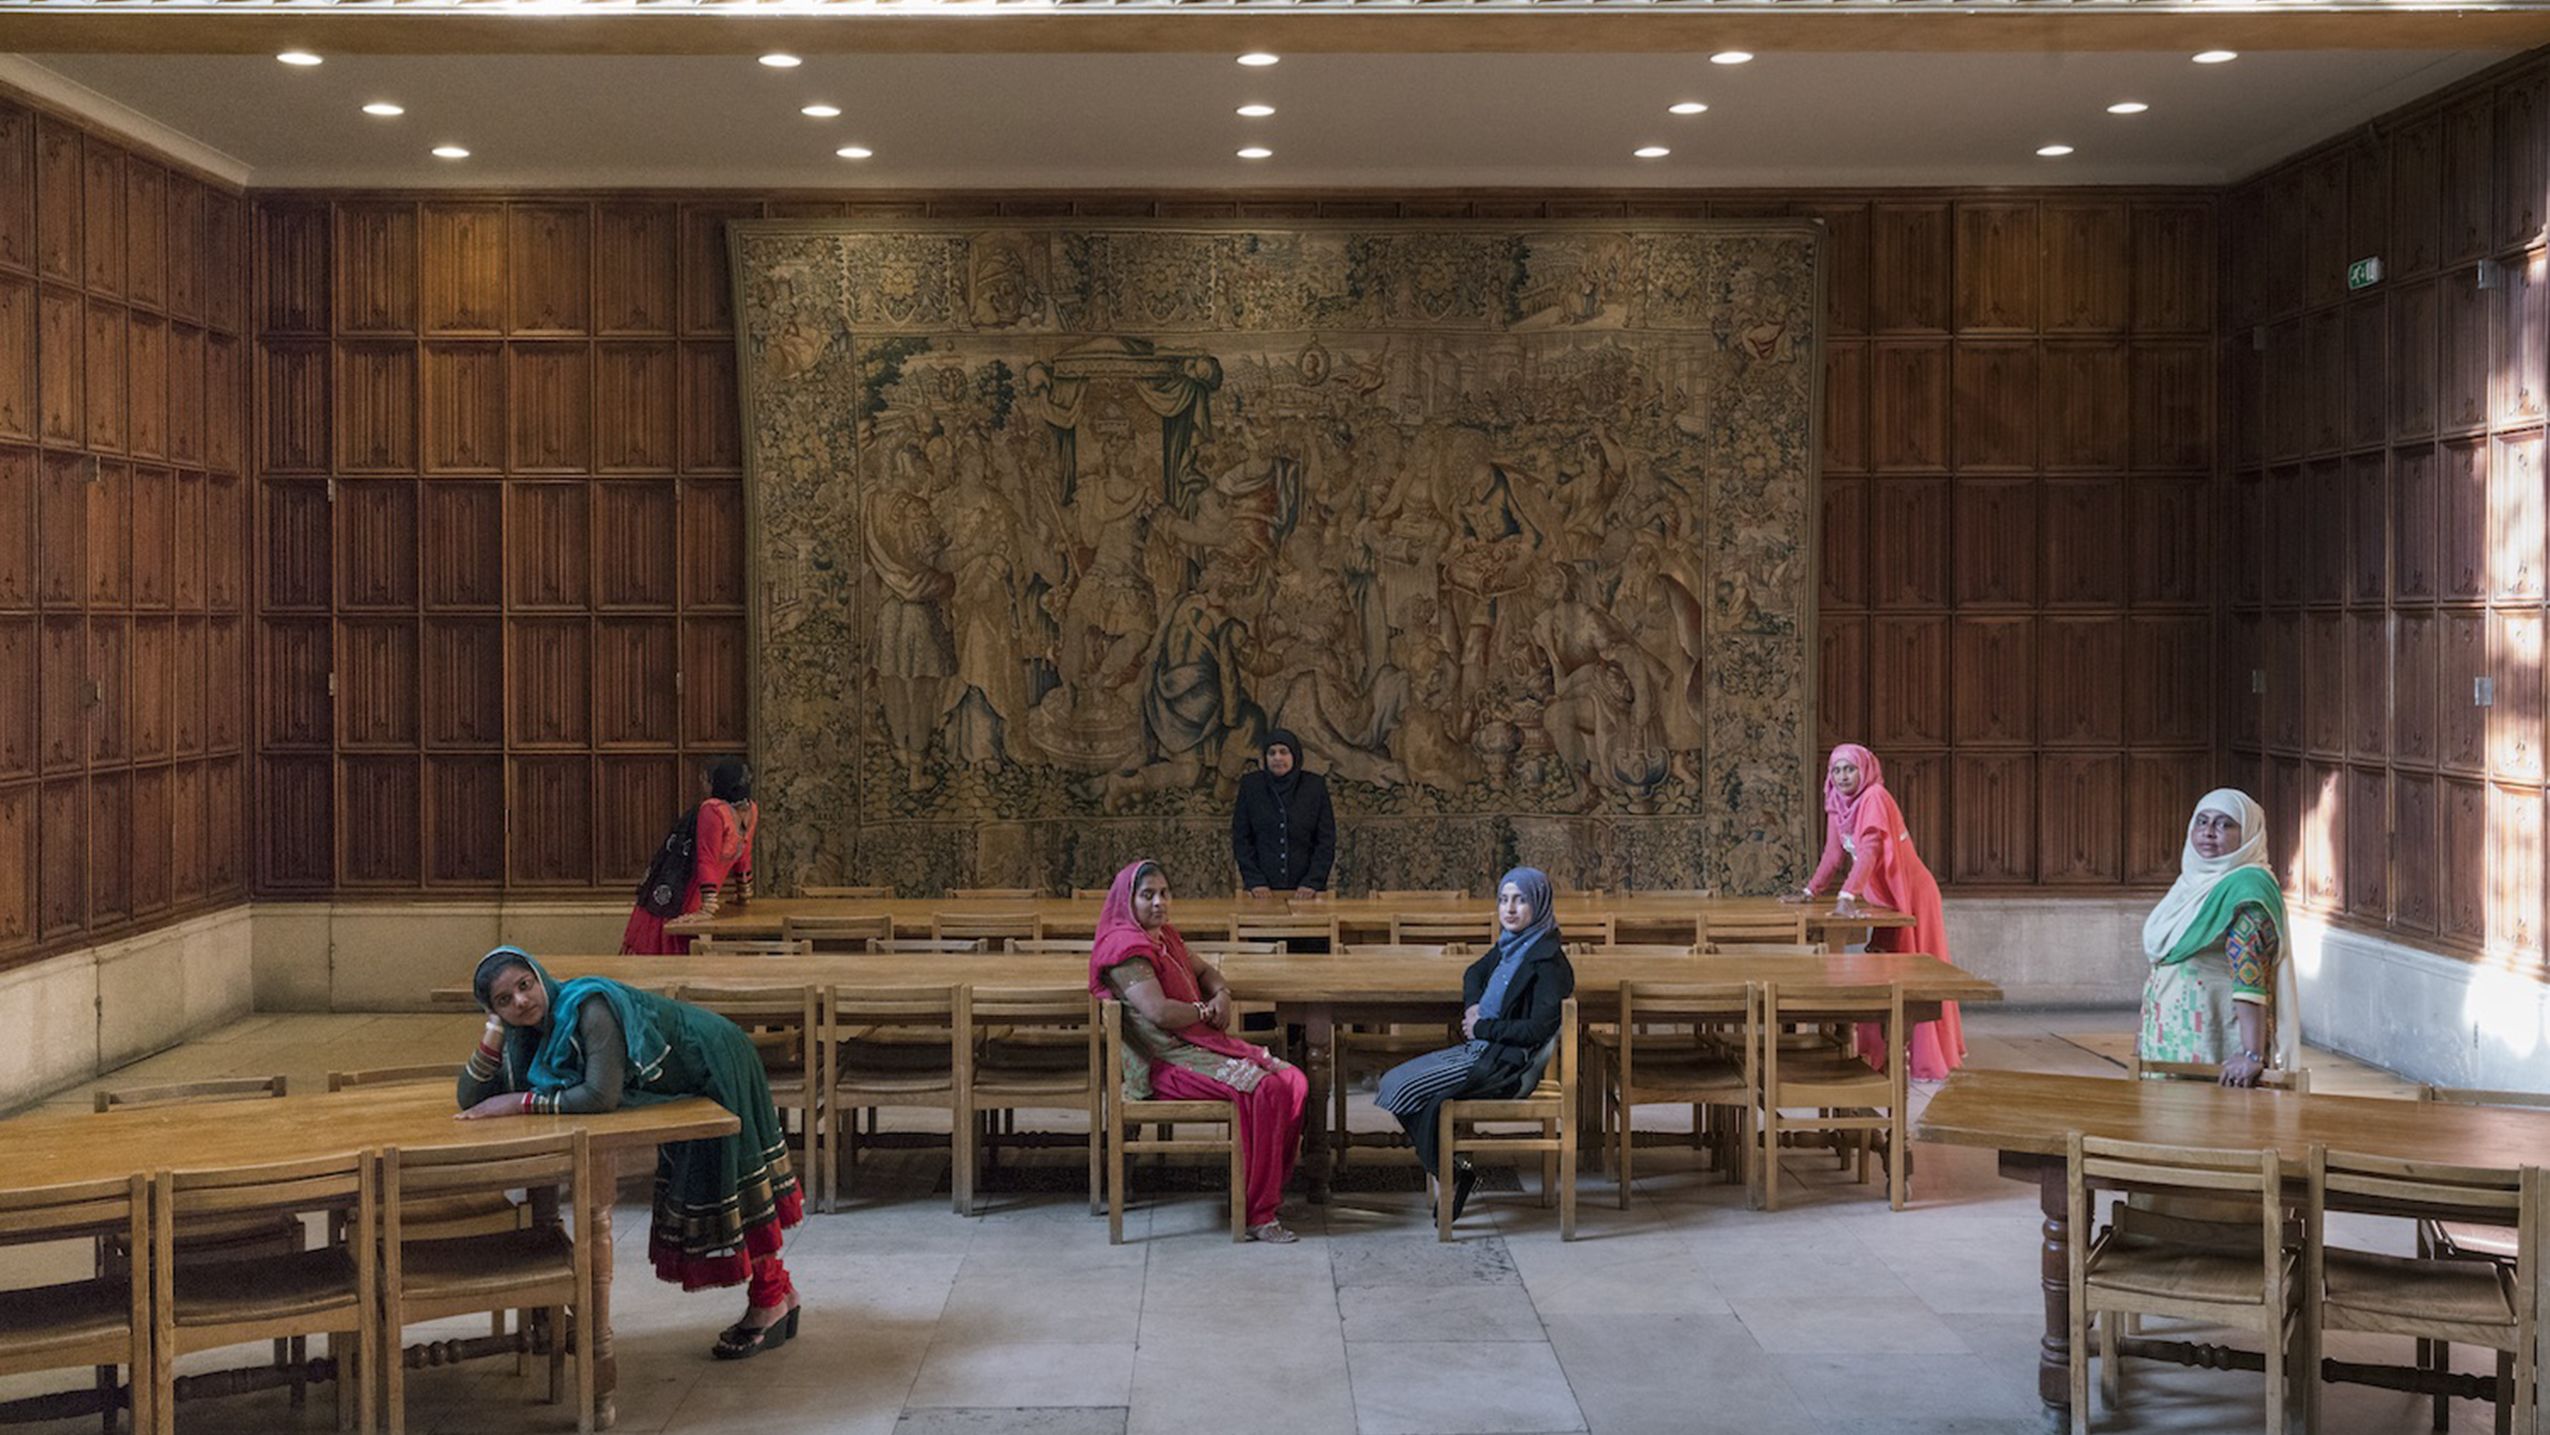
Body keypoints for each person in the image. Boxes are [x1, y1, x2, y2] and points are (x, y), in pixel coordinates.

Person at [458, 946, 806, 1359]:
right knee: (717, 1178)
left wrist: (519, 1103)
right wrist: (494, 1032)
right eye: (503, 1000)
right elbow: (472, 1099)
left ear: (539, 976)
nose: (520, 1000)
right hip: (681, 1076)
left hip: (712, 1059)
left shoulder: (588, 1008)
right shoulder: (531, 1032)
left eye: (524, 984)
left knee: (733, 1179)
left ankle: (771, 1299)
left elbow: (599, 1095)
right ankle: (779, 1293)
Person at [1087, 859, 1307, 1242]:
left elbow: (1207, 972)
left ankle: (1266, 1187)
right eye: (1147, 895)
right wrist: (1207, 1009)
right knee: (1268, 1088)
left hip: (1198, 1047)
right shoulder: (1126, 951)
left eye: (1164, 893)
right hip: (1164, 1062)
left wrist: (1222, 992)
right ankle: (1258, 1213)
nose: (1159, 902)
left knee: (1295, 1080)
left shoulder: (1165, 937)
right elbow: (1158, 1012)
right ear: (1127, 901)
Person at [1373, 867, 1577, 1219]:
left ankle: (1452, 1176)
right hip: (1484, 1051)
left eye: (1521, 899)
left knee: (1418, 1096)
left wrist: (1483, 1027)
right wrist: (1473, 1007)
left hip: (1509, 1066)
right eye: (1504, 900)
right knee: (1394, 1084)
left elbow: (1536, 1031)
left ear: (1540, 904)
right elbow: (1474, 973)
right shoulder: (1510, 947)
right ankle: (1456, 1170)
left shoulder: (1548, 962)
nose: (1510, 909)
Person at [1788, 743, 1965, 1080]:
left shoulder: (1875, 797)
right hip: (1882, 895)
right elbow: (1833, 853)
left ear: (1865, 770)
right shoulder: (1837, 800)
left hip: (1910, 891)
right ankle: (1883, 1051)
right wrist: (1811, 891)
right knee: (1884, 966)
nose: (1841, 776)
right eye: (1836, 770)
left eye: (1849, 769)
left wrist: (1847, 897)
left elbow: (1869, 852)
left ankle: (1921, 1055)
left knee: (1910, 970)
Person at [2137, 789, 2298, 1087]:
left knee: (2209, 1126)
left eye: (2225, 825)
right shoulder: (2194, 882)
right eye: (2202, 822)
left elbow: (2249, 974)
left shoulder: (2247, 889)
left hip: (2217, 1043)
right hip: (2174, 1036)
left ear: (2248, 834)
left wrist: (2251, 1055)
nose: (2209, 833)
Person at [621, 757, 758, 956]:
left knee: (663, 950)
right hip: (700, 892)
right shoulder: (750, 809)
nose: (702, 785)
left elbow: (706, 859)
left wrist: (707, 908)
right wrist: (744, 893)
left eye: (705, 780)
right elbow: (744, 855)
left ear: (717, 782)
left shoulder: (713, 810)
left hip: (686, 893)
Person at [1231, 729, 1337, 897]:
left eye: (1284, 752)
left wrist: (1312, 882)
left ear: (1295, 755)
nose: (1277, 758)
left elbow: (1326, 840)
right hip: (1261, 893)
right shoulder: (1251, 786)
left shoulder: (1314, 786)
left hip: (1307, 892)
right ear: (1265, 758)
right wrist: (1255, 881)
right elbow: (1241, 839)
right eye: (1272, 753)